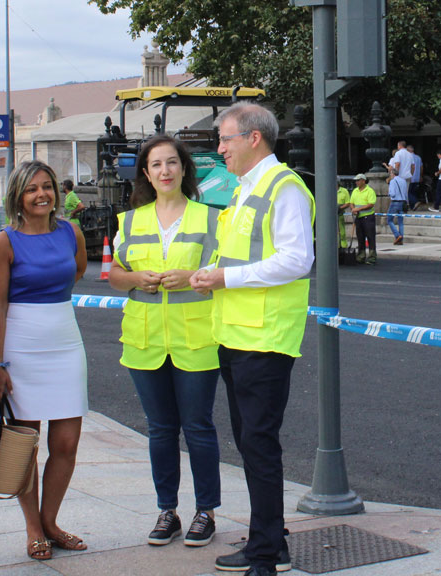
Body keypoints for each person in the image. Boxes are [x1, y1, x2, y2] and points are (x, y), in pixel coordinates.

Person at [190, 102, 315, 576]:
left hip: (265, 338)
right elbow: (241, 258)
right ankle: (269, 538)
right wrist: (208, 275)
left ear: (254, 138)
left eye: (225, 139)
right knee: (250, 442)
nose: (220, 149)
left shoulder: (283, 187)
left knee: (259, 445)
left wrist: (225, 279)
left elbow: (297, 259)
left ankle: (265, 555)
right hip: (239, 335)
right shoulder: (246, 190)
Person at [108, 134, 222, 548]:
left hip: (197, 338)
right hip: (145, 339)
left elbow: (225, 275)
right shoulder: (130, 221)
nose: (165, 171)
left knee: (198, 426)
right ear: (146, 174)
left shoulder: (212, 219)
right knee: (160, 430)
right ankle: (167, 511)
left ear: (184, 169)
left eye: (172, 163)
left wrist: (193, 278)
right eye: (156, 165)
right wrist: (137, 278)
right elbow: (117, 276)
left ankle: (206, 510)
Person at [0, 160, 89, 562]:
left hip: (65, 341)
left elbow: (75, 273)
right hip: (21, 347)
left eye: (47, 186)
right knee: (25, 445)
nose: (42, 194)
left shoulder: (71, 232)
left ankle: (51, 522)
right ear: (18, 196)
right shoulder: (4, 241)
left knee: (66, 443)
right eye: (32, 189)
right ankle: (33, 529)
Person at [350, 174, 377, 264]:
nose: (356, 182)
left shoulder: (369, 191)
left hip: (368, 217)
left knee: (370, 237)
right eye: (356, 181)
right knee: (360, 237)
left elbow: (371, 204)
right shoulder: (355, 191)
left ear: (363, 181)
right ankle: (361, 256)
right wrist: (353, 209)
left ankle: (372, 257)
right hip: (358, 217)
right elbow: (351, 202)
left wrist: (359, 209)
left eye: (358, 180)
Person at [385, 168, 408, 246]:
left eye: (390, 174)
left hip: (395, 202)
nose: (390, 175)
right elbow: (405, 193)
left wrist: (389, 194)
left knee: (389, 220)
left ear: (393, 174)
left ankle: (397, 235)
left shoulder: (393, 181)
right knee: (400, 222)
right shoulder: (403, 181)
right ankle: (400, 239)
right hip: (403, 202)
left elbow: (393, 193)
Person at [406, 144, 424, 208]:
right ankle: (413, 206)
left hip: (410, 177)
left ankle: (415, 202)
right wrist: (420, 176)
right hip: (417, 177)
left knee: (407, 192)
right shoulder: (418, 157)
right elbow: (421, 167)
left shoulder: (408, 157)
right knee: (413, 192)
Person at [336, 179, 351, 250]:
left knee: (341, 231)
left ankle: (343, 247)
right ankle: (336, 246)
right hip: (330, 215)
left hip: (339, 214)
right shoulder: (328, 190)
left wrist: (340, 207)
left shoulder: (344, 191)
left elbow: (348, 203)